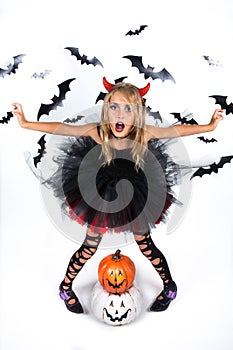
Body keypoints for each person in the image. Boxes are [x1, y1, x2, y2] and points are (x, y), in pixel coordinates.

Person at [12, 77, 224, 314]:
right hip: (102, 195)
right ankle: (65, 286)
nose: (120, 115)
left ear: (137, 114)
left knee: (145, 244)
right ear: (106, 109)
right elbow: (64, 128)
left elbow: (175, 131)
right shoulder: (98, 132)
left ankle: (169, 286)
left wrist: (209, 126)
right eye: (114, 107)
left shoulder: (142, 135)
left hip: (135, 195)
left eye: (128, 109)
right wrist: (26, 122)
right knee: (90, 245)